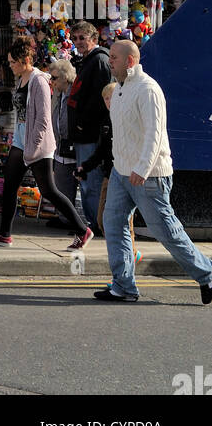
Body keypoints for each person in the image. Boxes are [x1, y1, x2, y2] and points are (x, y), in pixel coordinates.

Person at [95, 39, 212, 304]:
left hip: (148, 176)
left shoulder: (148, 89)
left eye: (114, 57)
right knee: (113, 225)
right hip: (121, 172)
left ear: (130, 61)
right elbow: (124, 135)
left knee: (166, 232)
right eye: (110, 56)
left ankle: (207, 274)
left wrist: (143, 167)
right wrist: (118, 166)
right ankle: (123, 286)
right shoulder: (122, 90)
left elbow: (154, 134)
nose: (110, 60)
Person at [0, 37, 92, 249]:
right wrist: (19, 139)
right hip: (21, 138)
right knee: (9, 186)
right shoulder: (21, 79)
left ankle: (82, 230)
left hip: (37, 144)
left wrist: (33, 147)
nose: (10, 65)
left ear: (24, 60)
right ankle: (4, 234)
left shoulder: (39, 80)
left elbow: (43, 119)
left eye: (12, 62)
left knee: (49, 191)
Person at [76, 82, 139, 264]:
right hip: (110, 175)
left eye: (111, 97)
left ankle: (129, 257)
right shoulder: (106, 121)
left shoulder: (126, 119)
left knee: (123, 221)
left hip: (125, 175)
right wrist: (85, 167)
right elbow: (102, 150)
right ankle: (127, 255)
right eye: (105, 98)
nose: (108, 101)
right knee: (102, 220)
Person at [67, 21, 112, 235]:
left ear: (93, 38)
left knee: (90, 182)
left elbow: (102, 98)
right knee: (85, 181)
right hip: (84, 132)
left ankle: (96, 225)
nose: (78, 42)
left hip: (90, 133)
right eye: (75, 38)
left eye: (82, 38)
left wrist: (83, 122)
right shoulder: (88, 61)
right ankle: (93, 225)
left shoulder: (99, 61)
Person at [47, 58, 78, 229]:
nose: (52, 81)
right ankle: (64, 217)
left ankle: (76, 222)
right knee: (61, 184)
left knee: (74, 185)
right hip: (60, 146)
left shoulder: (74, 93)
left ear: (65, 77)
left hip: (73, 145)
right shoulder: (60, 94)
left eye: (55, 78)